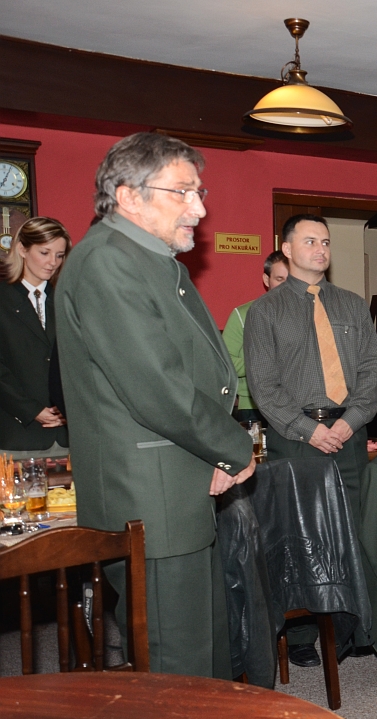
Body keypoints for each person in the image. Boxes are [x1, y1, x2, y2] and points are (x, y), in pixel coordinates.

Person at [57, 132, 255, 677]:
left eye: (199, 191)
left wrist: (214, 452)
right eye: (182, 192)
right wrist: (235, 447)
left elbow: (196, 371)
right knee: (177, 663)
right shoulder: (108, 262)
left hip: (178, 481)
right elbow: (159, 388)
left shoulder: (148, 258)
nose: (199, 208)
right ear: (129, 196)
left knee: (204, 649)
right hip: (151, 494)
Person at [244, 213, 377, 668]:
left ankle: (355, 627)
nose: (320, 249)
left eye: (325, 242)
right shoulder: (265, 312)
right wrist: (310, 430)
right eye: (310, 241)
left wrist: (351, 421)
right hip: (296, 438)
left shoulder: (352, 305)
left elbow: (371, 370)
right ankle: (304, 633)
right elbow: (264, 387)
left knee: (355, 532)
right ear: (286, 249)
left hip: (350, 433)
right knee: (303, 540)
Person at [0, 217, 70, 458]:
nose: (53, 263)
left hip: (69, 436)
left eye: (59, 255)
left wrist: (67, 407)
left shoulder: (68, 299)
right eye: (44, 252)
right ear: (22, 249)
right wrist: (32, 410)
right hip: (17, 435)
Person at [222, 250, 289, 424]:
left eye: (291, 280)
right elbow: (224, 363)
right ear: (266, 280)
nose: (285, 286)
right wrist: (265, 364)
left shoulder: (309, 315)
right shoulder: (242, 314)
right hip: (253, 407)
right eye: (279, 279)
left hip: (296, 405)